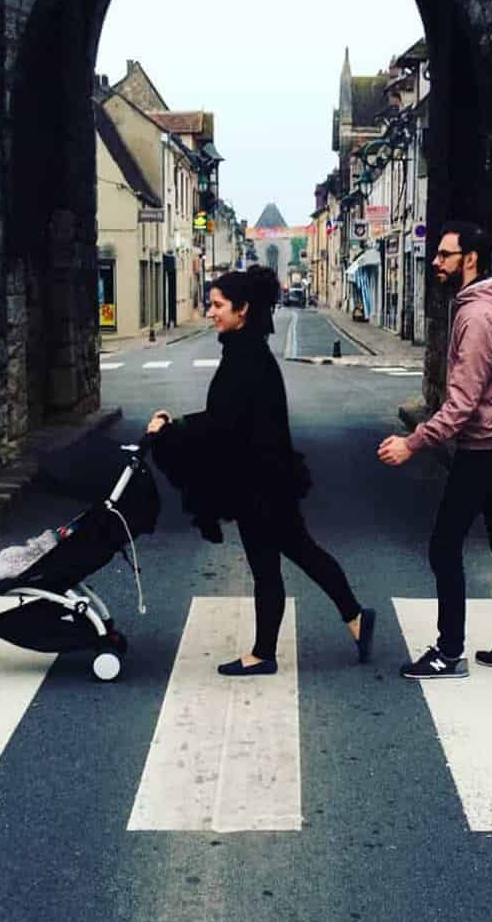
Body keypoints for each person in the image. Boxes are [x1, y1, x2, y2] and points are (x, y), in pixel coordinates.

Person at [147, 266, 377, 676]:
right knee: (297, 553)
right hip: (267, 477)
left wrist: (170, 431)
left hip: (259, 482)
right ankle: (353, 618)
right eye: (210, 304)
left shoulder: (246, 358)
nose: (210, 313)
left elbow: (223, 424)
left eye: (217, 305)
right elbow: (225, 417)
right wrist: (178, 425)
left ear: (243, 308)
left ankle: (269, 652)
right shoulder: (245, 351)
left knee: (272, 563)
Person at [378, 221, 492, 680]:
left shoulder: (476, 317)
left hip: (481, 451)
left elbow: (460, 405)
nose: (436, 262)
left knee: (443, 546)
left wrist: (411, 444)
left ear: (469, 259)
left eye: (445, 255)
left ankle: (448, 653)